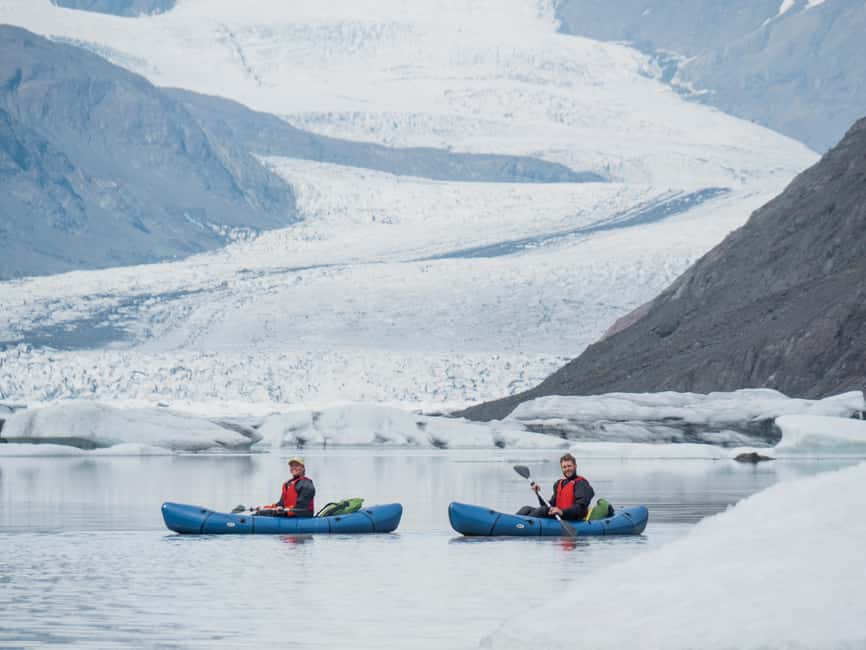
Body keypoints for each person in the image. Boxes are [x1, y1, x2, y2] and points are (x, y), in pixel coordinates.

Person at [517, 453, 594, 521]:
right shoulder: (559, 483)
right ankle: (513, 523)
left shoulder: (581, 484)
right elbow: (550, 504)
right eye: (564, 467)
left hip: (571, 517)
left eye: (569, 466)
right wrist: (538, 494)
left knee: (543, 510)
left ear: (575, 466)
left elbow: (581, 508)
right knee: (526, 509)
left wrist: (561, 512)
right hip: (558, 515)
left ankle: (520, 526)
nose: (567, 469)